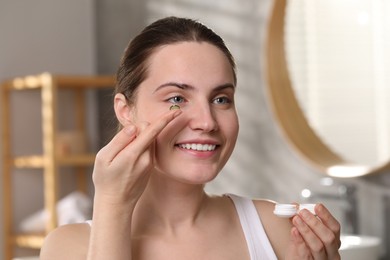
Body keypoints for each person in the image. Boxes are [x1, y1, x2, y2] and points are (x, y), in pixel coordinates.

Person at [40, 16, 341, 260]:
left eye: (221, 99)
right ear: (125, 110)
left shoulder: (276, 230)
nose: (207, 122)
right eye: (176, 99)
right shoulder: (69, 248)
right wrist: (112, 203)